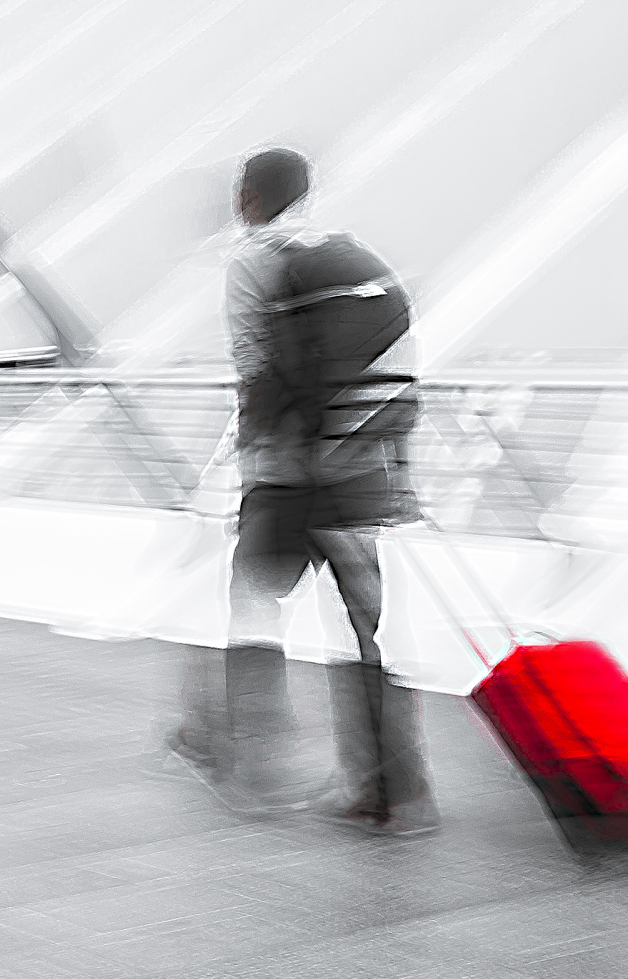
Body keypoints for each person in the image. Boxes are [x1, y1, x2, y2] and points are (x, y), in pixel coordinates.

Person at [175, 146, 437, 835]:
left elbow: (257, 368)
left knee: (253, 604)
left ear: (250, 198)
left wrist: (255, 459)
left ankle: (254, 763)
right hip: (360, 471)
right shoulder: (354, 255)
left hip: (289, 476)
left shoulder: (255, 261)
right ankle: (392, 789)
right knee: (364, 626)